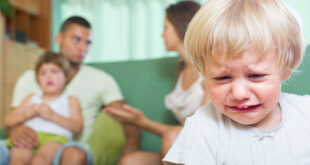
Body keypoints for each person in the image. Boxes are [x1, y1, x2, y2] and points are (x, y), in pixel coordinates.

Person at [163, 0, 309, 164]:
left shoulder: (305, 113)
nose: (239, 94)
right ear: (204, 74)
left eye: (255, 76)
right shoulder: (202, 127)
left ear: (286, 68)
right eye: (222, 78)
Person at [0, 16, 139, 165]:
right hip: (25, 146)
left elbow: (129, 120)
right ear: (59, 38)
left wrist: (128, 155)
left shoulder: (101, 79)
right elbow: (11, 122)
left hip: (64, 146)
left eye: (87, 43)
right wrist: (16, 131)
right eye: (76, 40)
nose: (82, 48)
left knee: (74, 154)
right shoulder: (29, 78)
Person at [104, 1, 208, 165]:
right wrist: (137, 120)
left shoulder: (209, 71)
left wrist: (142, 122)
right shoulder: (181, 69)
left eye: (165, 27)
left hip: (204, 150)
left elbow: (201, 133)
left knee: (172, 136)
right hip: (181, 145)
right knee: (131, 161)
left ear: (181, 27)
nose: (162, 34)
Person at [4, 52, 83, 165]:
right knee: (18, 161)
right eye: (43, 73)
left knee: (40, 161)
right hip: (29, 138)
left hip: (55, 139)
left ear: (66, 76)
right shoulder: (32, 98)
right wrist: (24, 115)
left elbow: (78, 127)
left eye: (54, 71)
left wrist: (53, 116)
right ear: (38, 79)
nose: (48, 76)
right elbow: (7, 120)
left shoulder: (70, 100)